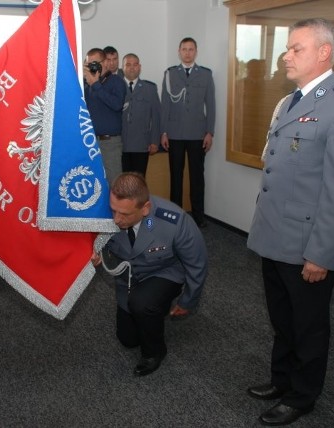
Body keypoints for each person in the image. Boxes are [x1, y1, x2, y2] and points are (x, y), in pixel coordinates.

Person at [246, 18, 334, 426]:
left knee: (309, 327)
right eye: (287, 47)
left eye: (296, 48)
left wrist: (321, 253)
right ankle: (281, 379)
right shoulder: (292, 101)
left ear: (323, 53)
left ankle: (303, 395)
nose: (286, 54)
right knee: (282, 320)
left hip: (307, 246)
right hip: (275, 237)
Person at [92, 172, 207, 377]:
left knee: (142, 304)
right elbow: (95, 243)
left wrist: (188, 301)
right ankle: (154, 308)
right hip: (128, 276)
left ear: (145, 209)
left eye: (124, 214)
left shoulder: (175, 221)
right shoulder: (107, 212)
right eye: (113, 211)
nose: (116, 220)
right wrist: (95, 254)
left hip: (163, 272)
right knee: (128, 340)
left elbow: (197, 265)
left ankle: (155, 352)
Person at [160, 37, 215, 228]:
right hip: (174, 133)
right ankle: (174, 217)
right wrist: (163, 132)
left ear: (196, 52)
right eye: (184, 49)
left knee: (197, 177)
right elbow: (164, 105)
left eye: (191, 49)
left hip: (197, 134)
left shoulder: (206, 75)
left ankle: (199, 217)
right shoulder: (170, 74)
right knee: (176, 176)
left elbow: (211, 105)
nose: (188, 53)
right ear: (179, 51)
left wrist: (210, 132)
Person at [84, 47, 126, 184]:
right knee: (94, 182)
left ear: (105, 63)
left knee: (113, 183)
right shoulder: (87, 83)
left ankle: (115, 207)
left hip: (110, 143)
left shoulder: (116, 81)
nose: (93, 66)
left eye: (95, 63)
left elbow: (117, 104)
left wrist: (96, 85)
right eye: (90, 64)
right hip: (90, 142)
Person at [121, 53, 160, 176]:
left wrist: (155, 141)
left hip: (141, 144)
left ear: (140, 67)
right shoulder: (116, 87)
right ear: (123, 68)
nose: (132, 68)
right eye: (128, 64)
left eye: (135, 64)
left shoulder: (150, 89)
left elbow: (156, 116)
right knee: (122, 182)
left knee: (139, 181)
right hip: (120, 144)